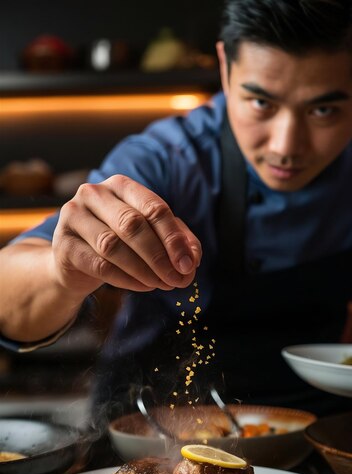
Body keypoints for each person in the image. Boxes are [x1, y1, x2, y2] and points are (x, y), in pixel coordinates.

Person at [0, 0, 352, 421]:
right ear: (225, 66)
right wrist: (61, 271)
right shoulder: (168, 159)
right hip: (152, 422)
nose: (285, 146)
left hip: (319, 427)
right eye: (261, 103)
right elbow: (7, 299)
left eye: (323, 111)